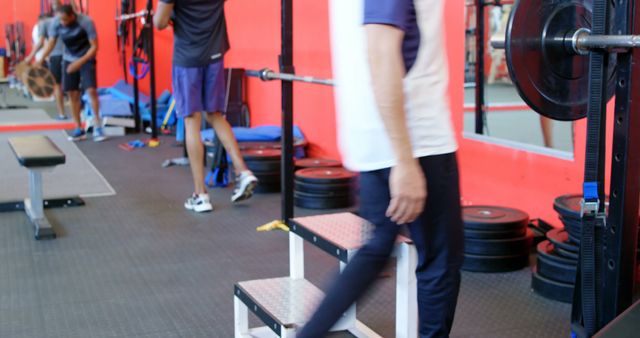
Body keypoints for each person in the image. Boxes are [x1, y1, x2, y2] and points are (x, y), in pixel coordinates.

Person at [298, 1, 464, 337]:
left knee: (376, 250)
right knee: (440, 263)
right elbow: (381, 51)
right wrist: (405, 160)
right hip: (416, 140)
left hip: (373, 135)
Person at [154, 0, 258, 212]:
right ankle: (243, 171)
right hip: (214, 54)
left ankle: (200, 195)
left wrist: (170, 13)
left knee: (192, 120)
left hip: (188, 57)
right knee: (216, 115)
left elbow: (159, 23)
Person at [39, 4, 105, 142]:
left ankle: (98, 126)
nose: (62, 22)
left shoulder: (86, 22)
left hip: (86, 57)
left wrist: (79, 63)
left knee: (91, 91)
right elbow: (50, 43)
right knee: (72, 93)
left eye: (65, 20)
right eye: (60, 20)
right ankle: (78, 128)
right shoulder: (56, 23)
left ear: (72, 16)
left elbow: (94, 46)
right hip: (69, 58)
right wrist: (39, 59)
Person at [25, 3, 68, 120]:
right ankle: (66, 113)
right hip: (63, 56)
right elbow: (43, 43)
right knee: (68, 87)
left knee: (59, 85)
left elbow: (41, 43)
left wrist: (32, 57)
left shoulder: (48, 23)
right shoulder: (65, 20)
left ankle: (62, 114)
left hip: (60, 55)